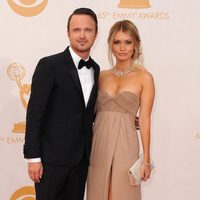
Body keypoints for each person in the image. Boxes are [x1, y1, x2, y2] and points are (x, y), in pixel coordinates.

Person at [23, 8, 100, 200]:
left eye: (88, 30)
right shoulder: (50, 65)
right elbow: (35, 114)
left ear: (96, 34)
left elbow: (89, 112)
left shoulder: (96, 69)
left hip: (81, 161)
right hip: (51, 161)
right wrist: (34, 158)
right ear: (68, 33)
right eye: (76, 30)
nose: (82, 35)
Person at [87, 20, 155, 200]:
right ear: (110, 45)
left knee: (121, 192)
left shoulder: (144, 78)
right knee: (97, 189)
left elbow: (145, 119)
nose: (122, 47)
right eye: (117, 42)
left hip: (126, 142)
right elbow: (88, 114)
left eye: (128, 42)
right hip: (99, 142)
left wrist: (146, 159)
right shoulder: (100, 75)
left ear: (136, 45)